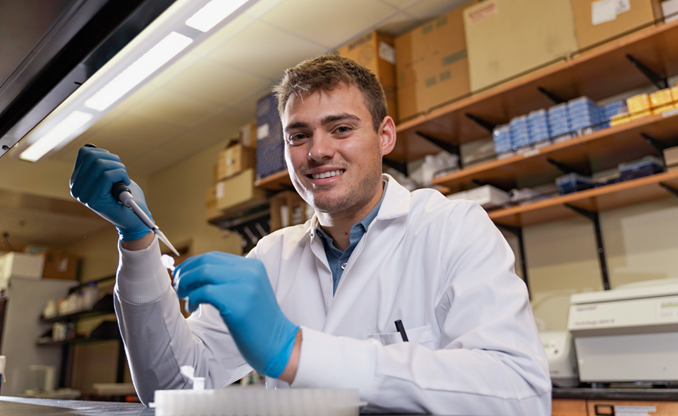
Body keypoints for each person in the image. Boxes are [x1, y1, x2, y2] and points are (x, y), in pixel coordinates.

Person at [70, 55, 551, 414]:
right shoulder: (273, 257)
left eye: (340, 128)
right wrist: (136, 241)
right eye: (298, 136)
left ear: (385, 136)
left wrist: (295, 350)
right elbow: (170, 387)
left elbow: (519, 393)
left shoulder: (452, 228)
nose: (317, 151)